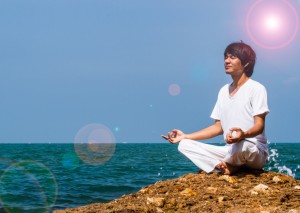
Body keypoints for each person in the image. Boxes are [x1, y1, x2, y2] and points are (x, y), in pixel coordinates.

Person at [165, 41, 269, 175]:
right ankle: (222, 166)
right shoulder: (223, 91)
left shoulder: (256, 88)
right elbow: (218, 127)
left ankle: (231, 166)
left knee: (242, 145)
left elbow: (259, 125)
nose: (227, 61)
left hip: (253, 149)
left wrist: (243, 134)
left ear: (246, 63)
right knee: (184, 145)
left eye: (232, 57)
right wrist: (185, 136)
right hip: (231, 150)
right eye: (226, 57)